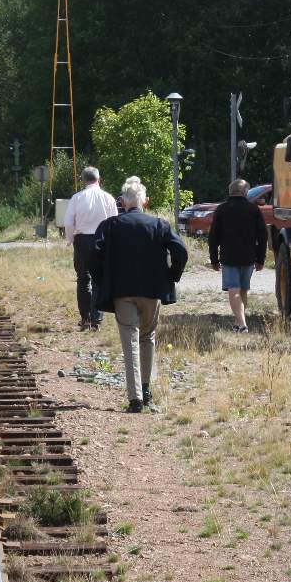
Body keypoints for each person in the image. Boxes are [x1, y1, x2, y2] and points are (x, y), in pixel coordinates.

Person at [90, 177, 188, 412]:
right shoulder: (159, 225)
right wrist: (172, 275)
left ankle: (134, 399)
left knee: (130, 342)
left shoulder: (110, 226)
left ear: (122, 202)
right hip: (152, 291)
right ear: (145, 201)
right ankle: (146, 390)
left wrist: (102, 279)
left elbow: (93, 254)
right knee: (147, 338)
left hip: (122, 292)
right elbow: (181, 251)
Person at [208, 179, 268, 333]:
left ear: (230, 192)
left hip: (229, 256)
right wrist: (260, 259)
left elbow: (213, 236)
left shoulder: (221, 209)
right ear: (245, 192)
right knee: (242, 290)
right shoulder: (253, 210)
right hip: (249, 257)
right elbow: (263, 236)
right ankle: (238, 323)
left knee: (233, 290)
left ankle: (242, 325)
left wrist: (214, 259)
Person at [63, 166, 119, 330]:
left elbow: (68, 222)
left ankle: (85, 317)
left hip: (82, 240)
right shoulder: (108, 198)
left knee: (82, 279)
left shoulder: (77, 198)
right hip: (102, 240)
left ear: (83, 180)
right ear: (99, 179)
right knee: (99, 280)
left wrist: (70, 239)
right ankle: (96, 319)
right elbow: (115, 222)